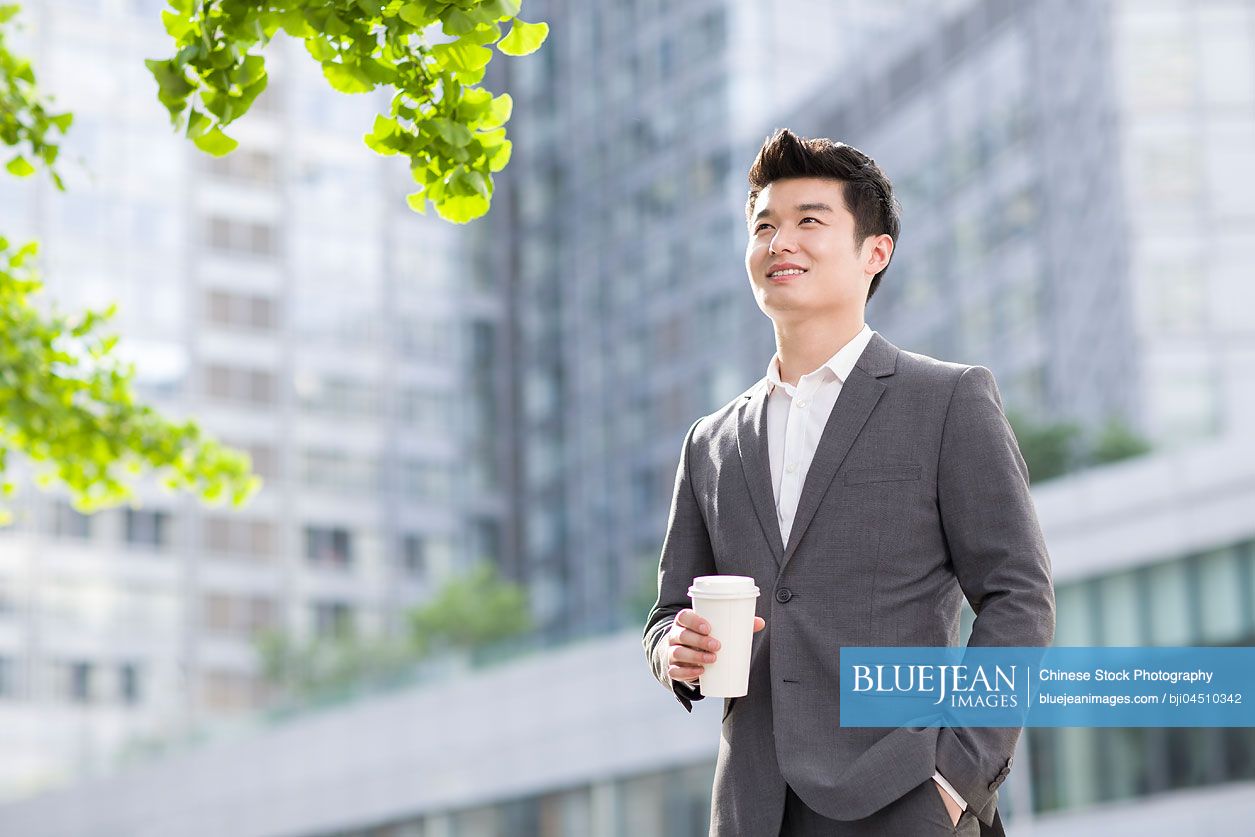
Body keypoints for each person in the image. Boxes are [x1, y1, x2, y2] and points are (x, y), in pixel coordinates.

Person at [643, 129, 1055, 836]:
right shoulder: (709, 441)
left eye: (809, 220)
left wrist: (956, 777)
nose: (780, 241)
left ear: (875, 252)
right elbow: (669, 610)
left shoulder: (946, 400)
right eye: (763, 225)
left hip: (902, 795)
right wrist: (671, 651)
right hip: (751, 808)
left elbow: (1018, 596)